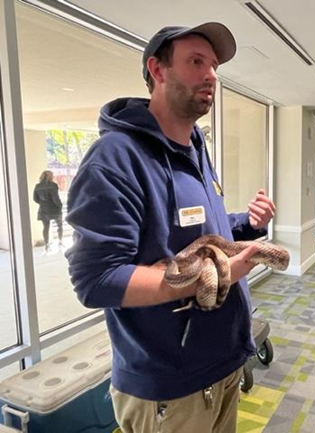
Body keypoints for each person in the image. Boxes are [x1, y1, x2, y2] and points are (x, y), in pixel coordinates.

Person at [65, 23, 276, 433]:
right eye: (196, 62)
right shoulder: (115, 158)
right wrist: (213, 276)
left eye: (214, 66)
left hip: (224, 362)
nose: (210, 74)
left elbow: (200, 234)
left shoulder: (196, 149)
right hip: (170, 387)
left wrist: (246, 224)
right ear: (157, 70)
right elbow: (96, 280)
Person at [33, 170, 63, 250]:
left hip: (43, 209)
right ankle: (60, 242)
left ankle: (47, 244)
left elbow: (35, 199)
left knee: (45, 227)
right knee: (59, 226)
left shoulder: (38, 186)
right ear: (50, 176)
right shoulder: (53, 185)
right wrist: (60, 205)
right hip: (55, 209)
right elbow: (55, 198)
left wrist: (43, 203)